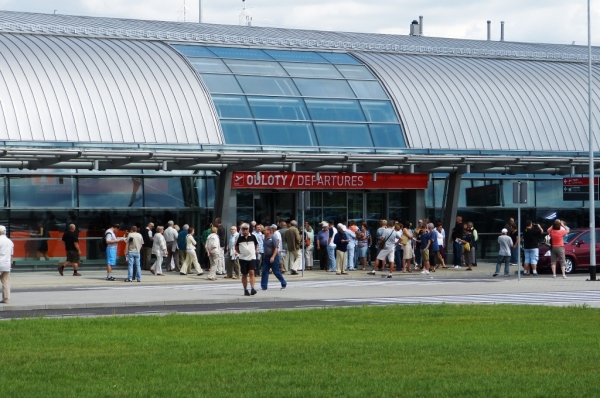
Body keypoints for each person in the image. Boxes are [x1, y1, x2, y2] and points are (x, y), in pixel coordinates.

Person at [235, 223, 259, 296]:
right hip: (243, 258)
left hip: (251, 257)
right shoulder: (239, 237)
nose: (245, 230)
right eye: (243, 229)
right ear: (241, 230)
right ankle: (245, 289)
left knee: (252, 272)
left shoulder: (253, 236)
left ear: (249, 229)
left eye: (246, 229)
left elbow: (256, 245)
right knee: (244, 274)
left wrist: (253, 251)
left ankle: (252, 288)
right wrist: (239, 253)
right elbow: (236, 247)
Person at [260, 227, 286, 291]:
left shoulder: (273, 237)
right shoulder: (264, 238)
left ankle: (283, 283)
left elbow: (276, 248)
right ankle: (264, 286)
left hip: (273, 256)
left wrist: (273, 257)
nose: (263, 231)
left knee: (276, 271)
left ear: (268, 231)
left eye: (265, 230)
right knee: (264, 271)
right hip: (266, 257)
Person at [0, 225, 14, 303]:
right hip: (6, 265)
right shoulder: (10, 241)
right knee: (6, 282)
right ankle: (6, 298)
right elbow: (11, 254)